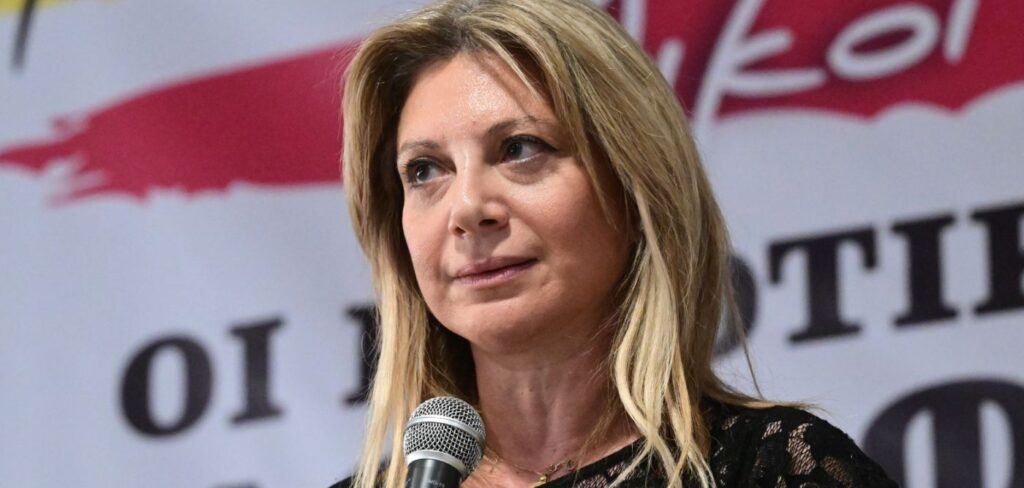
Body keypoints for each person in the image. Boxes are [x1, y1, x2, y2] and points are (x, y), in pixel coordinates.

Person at [333, 0, 897, 486]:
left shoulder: (773, 469)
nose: (466, 209)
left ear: (635, 186)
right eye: (425, 170)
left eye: (520, 149)